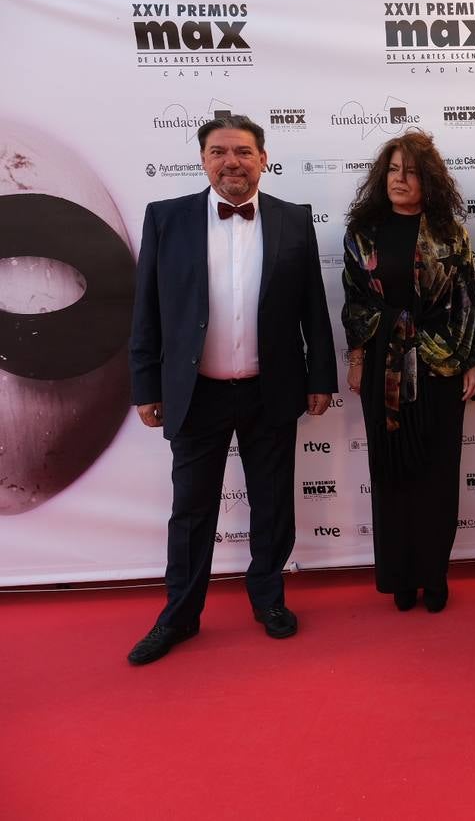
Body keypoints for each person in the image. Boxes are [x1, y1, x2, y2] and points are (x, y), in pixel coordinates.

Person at [127, 115, 337, 665]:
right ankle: (179, 615)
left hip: (273, 387)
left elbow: (314, 306)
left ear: (263, 159)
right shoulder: (166, 218)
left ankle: (268, 599)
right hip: (196, 392)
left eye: (243, 151)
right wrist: (147, 383)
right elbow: (146, 309)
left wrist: (321, 377)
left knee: (272, 504)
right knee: (192, 510)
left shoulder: (293, 220)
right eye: (219, 152)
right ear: (203, 160)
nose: (232, 162)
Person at [341, 131, 475, 614]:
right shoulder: (363, 233)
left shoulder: (450, 233)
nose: (401, 179)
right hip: (383, 367)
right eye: (394, 170)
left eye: (412, 171)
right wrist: (357, 360)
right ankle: (400, 577)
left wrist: (464, 362)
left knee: (438, 473)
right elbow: (356, 302)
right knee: (391, 472)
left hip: (440, 364)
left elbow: (466, 303)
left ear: (430, 180)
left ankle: (434, 576)